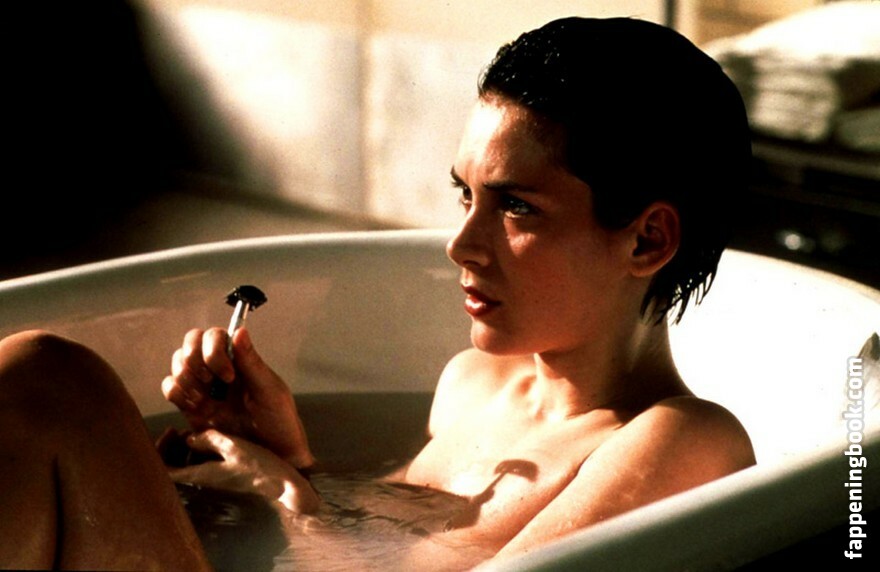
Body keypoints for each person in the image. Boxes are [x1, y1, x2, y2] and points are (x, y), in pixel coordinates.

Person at [0, 16, 755, 570]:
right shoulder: (473, 383)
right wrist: (289, 461)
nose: (462, 244)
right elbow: (387, 546)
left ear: (647, 240)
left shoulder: (681, 440)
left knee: (50, 380)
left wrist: (289, 498)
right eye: (466, 196)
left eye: (518, 207)